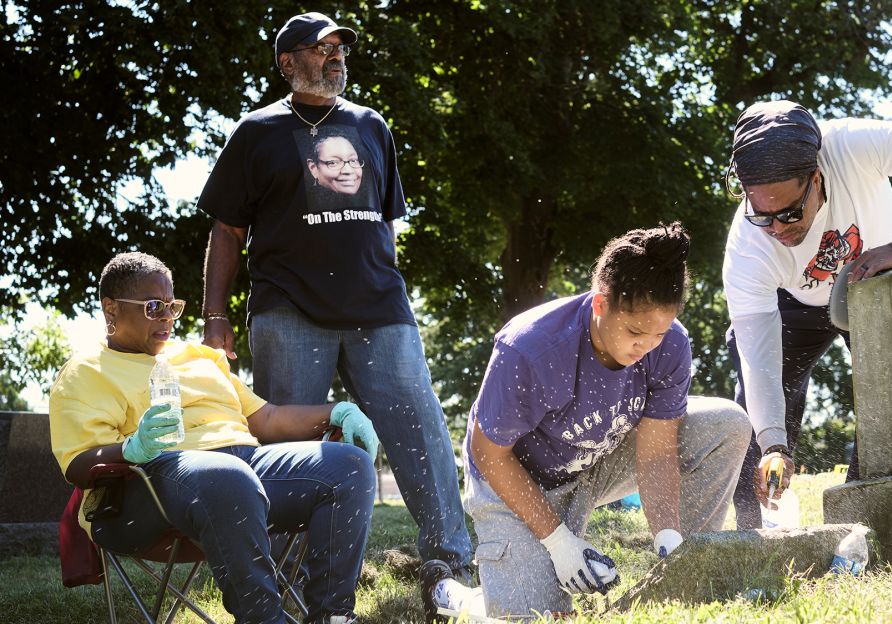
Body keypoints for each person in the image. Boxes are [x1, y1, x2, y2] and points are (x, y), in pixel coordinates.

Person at [196, 11, 473, 575]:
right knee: (288, 451)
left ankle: (452, 563)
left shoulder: (371, 125)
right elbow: (226, 230)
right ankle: (285, 580)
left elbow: (384, 223)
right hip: (289, 311)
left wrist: (381, 281)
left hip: (380, 311)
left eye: (339, 48)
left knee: (420, 430)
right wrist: (214, 315)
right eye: (321, 49)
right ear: (288, 62)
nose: (335, 56)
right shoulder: (257, 132)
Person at [419, 223, 751, 621]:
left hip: (600, 458)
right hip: (519, 477)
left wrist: (667, 537)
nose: (645, 346)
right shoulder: (528, 348)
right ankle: (452, 595)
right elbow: (487, 453)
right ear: (600, 304)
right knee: (538, 619)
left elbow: (657, 453)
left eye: (658, 334)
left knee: (727, 423)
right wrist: (559, 543)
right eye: (633, 331)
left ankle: (686, 574)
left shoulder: (671, 344)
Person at [49, 252, 377, 624]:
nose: (168, 318)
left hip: (242, 468)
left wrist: (337, 411)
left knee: (350, 467)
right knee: (226, 475)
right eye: (154, 307)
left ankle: (332, 615)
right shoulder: (85, 372)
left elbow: (265, 418)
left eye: (172, 306)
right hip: (147, 486)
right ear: (110, 309)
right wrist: (132, 447)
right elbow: (77, 464)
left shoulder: (197, 356)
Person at [722, 100, 892, 529]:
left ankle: (871, 521)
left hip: (884, 276)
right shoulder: (748, 251)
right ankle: (754, 530)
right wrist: (773, 444)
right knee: (756, 405)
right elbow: (759, 363)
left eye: (788, 213)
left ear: (817, 177)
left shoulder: (849, 146)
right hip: (799, 300)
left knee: (891, 394)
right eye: (762, 216)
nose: (778, 230)